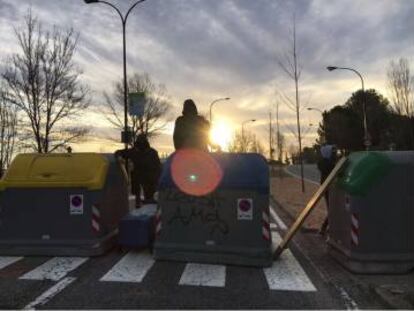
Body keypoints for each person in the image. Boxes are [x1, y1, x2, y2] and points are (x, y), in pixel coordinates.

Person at [115, 134, 161, 208]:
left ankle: (141, 206)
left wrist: (119, 157)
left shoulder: (135, 151)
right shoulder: (151, 152)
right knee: (148, 202)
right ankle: (144, 207)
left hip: (142, 180)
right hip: (146, 181)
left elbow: (120, 153)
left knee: (143, 200)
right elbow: (158, 168)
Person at [317, 144, 337, 235]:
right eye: (333, 152)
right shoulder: (327, 164)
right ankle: (324, 228)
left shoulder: (325, 162)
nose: (334, 154)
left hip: (330, 187)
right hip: (329, 188)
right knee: (332, 209)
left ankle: (327, 228)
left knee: (333, 208)